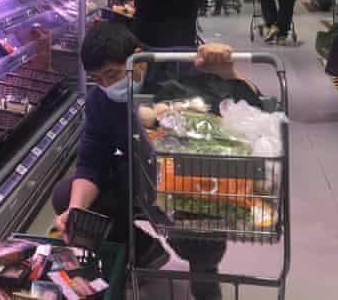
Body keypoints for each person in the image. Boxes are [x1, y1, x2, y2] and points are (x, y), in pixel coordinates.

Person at [53, 22, 254, 300]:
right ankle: (143, 252)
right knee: (67, 196)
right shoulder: (100, 101)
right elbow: (91, 162)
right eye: (97, 79)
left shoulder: (183, 65)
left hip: (195, 178)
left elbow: (253, 110)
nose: (106, 85)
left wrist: (227, 72)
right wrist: (76, 210)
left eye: (112, 74)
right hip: (142, 174)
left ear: (138, 58)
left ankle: (204, 270)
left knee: (195, 226)